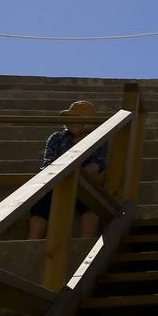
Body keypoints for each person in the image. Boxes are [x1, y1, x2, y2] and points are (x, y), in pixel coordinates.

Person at [28, 100, 105, 240]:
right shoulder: (57, 138)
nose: (72, 122)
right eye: (70, 118)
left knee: (91, 204)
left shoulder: (99, 138)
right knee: (40, 205)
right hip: (58, 181)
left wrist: (78, 175)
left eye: (78, 118)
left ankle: (86, 246)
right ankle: (31, 244)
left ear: (89, 122)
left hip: (86, 183)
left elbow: (99, 164)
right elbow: (47, 164)